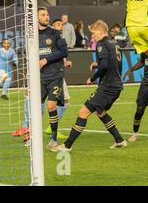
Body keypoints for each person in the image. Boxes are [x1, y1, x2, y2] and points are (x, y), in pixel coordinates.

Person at [53, 20, 126, 152]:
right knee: (101, 112)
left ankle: (67, 145)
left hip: (108, 87)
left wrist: (92, 78)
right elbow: (113, 63)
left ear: (101, 32)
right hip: (116, 86)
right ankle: (119, 140)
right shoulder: (114, 43)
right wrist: (97, 64)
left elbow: (104, 66)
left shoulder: (101, 43)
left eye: (93, 34)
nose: (92, 37)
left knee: (83, 112)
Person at [38, 8, 69, 150]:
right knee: (36, 108)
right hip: (40, 77)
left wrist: (46, 59)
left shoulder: (55, 33)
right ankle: (34, 138)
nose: (46, 17)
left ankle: (54, 139)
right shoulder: (31, 36)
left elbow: (64, 52)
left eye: (47, 15)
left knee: (51, 106)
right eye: (43, 15)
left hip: (55, 76)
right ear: (36, 18)